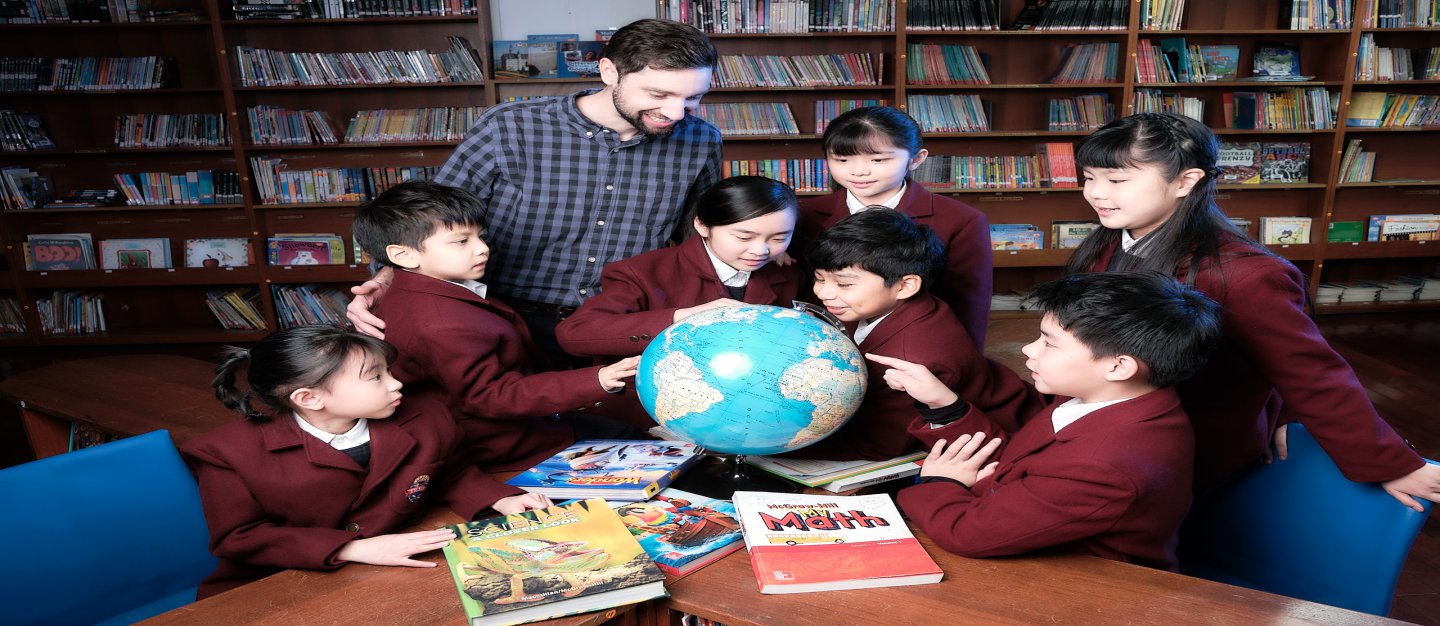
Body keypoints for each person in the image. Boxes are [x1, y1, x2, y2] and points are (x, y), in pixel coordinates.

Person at [1067, 112, 1440, 510]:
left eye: (1116, 180)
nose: (1096, 193)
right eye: (1089, 178)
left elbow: (1310, 373)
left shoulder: (1245, 274)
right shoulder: (1109, 241)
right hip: (1107, 424)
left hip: (1181, 452)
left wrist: (1391, 462)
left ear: (1186, 181)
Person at [347, 18, 723, 369]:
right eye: (659, 93)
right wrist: (388, 278)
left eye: (693, 97)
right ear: (610, 72)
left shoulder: (701, 140)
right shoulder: (509, 127)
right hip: (505, 320)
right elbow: (429, 219)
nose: (677, 112)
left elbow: (701, 234)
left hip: (625, 323)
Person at [876, 272, 1222, 571]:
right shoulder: (1102, 397)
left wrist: (939, 482)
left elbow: (967, 533)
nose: (1029, 350)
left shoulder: (1104, 465)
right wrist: (942, 403)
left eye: (1049, 343)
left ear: (1118, 366)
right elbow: (1023, 462)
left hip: (1085, 584)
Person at [183, 325, 551, 599]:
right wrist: (352, 548)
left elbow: (450, 472)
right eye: (375, 377)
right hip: (278, 584)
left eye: (388, 371)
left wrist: (498, 499)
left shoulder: (426, 417)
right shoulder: (228, 453)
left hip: (393, 571)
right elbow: (239, 537)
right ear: (309, 398)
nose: (396, 384)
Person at [352, 181, 642, 472]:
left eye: (480, 237)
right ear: (403, 255)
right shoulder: (439, 321)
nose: (483, 249)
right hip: (489, 442)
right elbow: (490, 396)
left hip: (498, 425)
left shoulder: (419, 290)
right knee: (631, 438)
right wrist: (599, 379)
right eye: (461, 241)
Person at [796, 209, 1043, 461]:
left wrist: (780, 446)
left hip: (998, 439)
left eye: (844, 284)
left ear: (905, 286)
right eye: (819, 279)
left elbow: (879, 444)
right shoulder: (880, 305)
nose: (823, 293)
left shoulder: (915, 359)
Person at [793, 105, 991, 348]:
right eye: (842, 159)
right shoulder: (804, 214)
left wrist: (965, 362)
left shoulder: (962, 219)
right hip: (821, 347)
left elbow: (968, 305)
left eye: (878, 160)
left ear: (916, 159)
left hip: (913, 347)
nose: (858, 171)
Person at [556, 175, 806, 358]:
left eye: (778, 238)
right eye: (744, 237)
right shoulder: (641, 271)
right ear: (702, 225)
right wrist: (681, 317)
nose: (761, 250)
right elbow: (574, 333)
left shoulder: (789, 270)